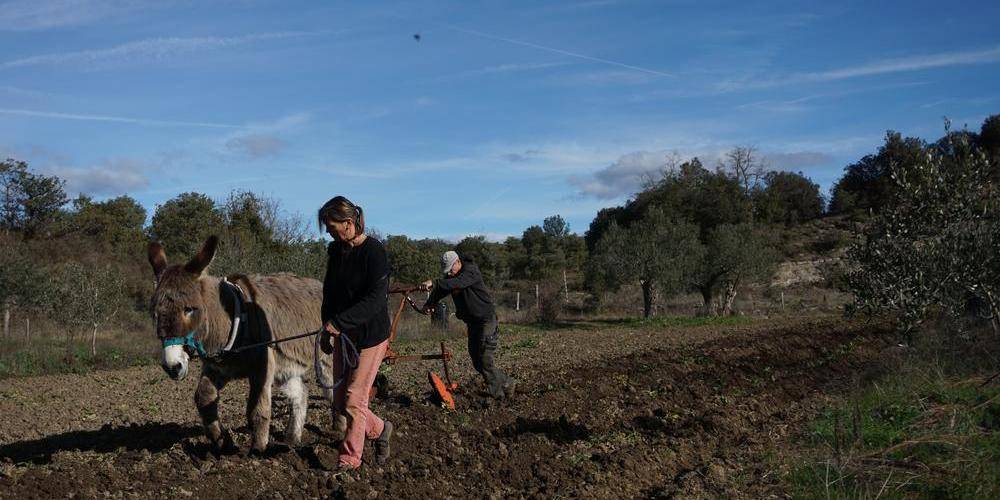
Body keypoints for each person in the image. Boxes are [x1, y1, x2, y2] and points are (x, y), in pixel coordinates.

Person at [317, 196, 393, 471]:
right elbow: (330, 293)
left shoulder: (374, 252)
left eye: (332, 225)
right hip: (344, 334)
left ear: (349, 223)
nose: (328, 231)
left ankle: (349, 461)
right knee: (341, 402)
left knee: (354, 400)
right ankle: (382, 429)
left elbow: (376, 300)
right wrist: (327, 327)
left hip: (371, 336)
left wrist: (339, 323)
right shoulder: (336, 252)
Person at [422, 251, 515, 399]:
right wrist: (430, 303)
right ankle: (507, 383)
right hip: (472, 323)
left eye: (451, 270)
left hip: (486, 320)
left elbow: (456, 283)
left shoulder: (471, 272)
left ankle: (497, 395)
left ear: (458, 262)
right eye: (447, 272)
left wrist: (435, 282)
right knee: (477, 362)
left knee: (485, 357)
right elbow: (442, 289)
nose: (450, 274)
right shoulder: (452, 277)